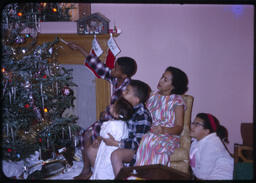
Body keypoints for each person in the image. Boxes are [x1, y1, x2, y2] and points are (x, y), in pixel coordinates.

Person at [66, 42, 137, 179]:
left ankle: (87, 170)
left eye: (116, 68)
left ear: (123, 74)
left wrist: (105, 115)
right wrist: (80, 48)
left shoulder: (128, 89)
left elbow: (123, 113)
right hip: (109, 119)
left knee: (87, 135)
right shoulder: (117, 79)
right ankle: (91, 168)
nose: (112, 69)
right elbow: (99, 66)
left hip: (117, 124)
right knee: (87, 135)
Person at [87, 79, 152, 179]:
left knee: (116, 155)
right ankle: (102, 176)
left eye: (127, 91)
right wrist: (100, 138)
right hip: (117, 142)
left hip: (134, 150)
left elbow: (137, 144)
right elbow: (111, 127)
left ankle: (120, 177)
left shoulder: (142, 116)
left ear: (136, 99)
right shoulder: (123, 107)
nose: (123, 92)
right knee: (91, 150)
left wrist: (116, 143)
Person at [135, 66, 188, 166]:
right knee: (144, 138)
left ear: (173, 86)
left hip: (168, 135)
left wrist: (163, 130)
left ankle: (147, 174)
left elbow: (179, 127)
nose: (160, 81)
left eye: (165, 80)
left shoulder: (177, 101)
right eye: (162, 77)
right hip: (150, 132)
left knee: (148, 139)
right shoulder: (151, 96)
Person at [91, 97, 134, 180]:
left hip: (107, 150)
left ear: (116, 114)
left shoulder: (112, 124)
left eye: (113, 105)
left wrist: (104, 122)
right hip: (115, 148)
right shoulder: (124, 125)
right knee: (109, 170)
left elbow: (103, 133)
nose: (110, 106)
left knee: (102, 168)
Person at [189, 113, 233, 180]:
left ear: (207, 131)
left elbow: (202, 175)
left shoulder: (212, 144)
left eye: (197, 124)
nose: (192, 126)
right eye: (193, 123)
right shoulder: (196, 142)